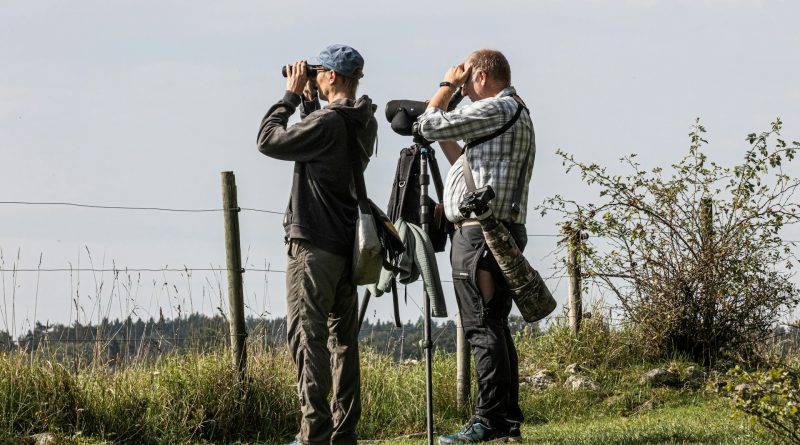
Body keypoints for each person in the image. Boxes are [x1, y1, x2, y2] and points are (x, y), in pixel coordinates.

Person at [256, 44, 378, 445]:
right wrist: (312, 106)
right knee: (343, 342)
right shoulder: (361, 121)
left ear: (334, 77)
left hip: (313, 246)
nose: (315, 77)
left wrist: (290, 97)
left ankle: (313, 434)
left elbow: (269, 141)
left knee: (308, 339)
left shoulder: (328, 122)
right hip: (346, 245)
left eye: (320, 72)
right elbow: (327, 155)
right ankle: (344, 433)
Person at [417, 49, 535, 444]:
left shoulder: (499, 108)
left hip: (479, 236)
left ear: (482, 75)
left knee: (481, 327)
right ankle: (506, 420)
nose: (464, 90)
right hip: (499, 233)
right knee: (496, 327)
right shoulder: (514, 111)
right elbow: (463, 161)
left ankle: (489, 421)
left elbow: (428, 125)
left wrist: (445, 86)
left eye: (468, 81)